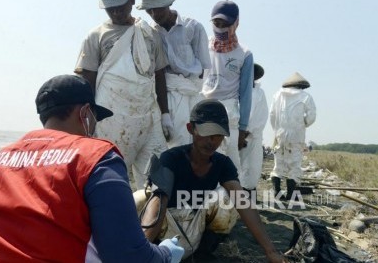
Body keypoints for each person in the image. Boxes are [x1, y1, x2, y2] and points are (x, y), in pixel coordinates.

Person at [0, 75, 184, 263]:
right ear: (85, 113)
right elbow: (128, 257)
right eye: (95, 118)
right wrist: (165, 253)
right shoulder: (96, 157)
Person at [134, 99, 286, 262]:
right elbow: (159, 203)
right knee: (141, 198)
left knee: (226, 200)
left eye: (218, 135)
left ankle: (205, 248)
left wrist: (271, 251)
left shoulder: (222, 163)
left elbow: (243, 203)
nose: (211, 141)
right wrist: (144, 253)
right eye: (206, 133)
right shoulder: (171, 158)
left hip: (195, 225)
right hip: (165, 225)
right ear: (191, 129)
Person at [75, 0, 171, 190]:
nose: (116, 12)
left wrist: (165, 114)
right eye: (111, 9)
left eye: (120, 6)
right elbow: (86, 80)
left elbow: (159, 75)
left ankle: (152, 220)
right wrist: (86, 120)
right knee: (111, 176)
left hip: (147, 114)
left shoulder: (149, 33)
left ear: (132, 0)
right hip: (112, 119)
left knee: (159, 175)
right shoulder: (96, 36)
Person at [136, 0, 211, 148]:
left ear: (169, 3)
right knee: (171, 145)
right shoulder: (150, 33)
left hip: (191, 92)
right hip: (165, 94)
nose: (155, 15)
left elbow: (203, 68)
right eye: (150, 10)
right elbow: (157, 72)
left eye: (159, 9)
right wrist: (165, 113)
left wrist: (189, 89)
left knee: (196, 145)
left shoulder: (193, 27)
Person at [202, 0, 253, 176]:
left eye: (226, 24)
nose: (221, 29)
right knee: (204, 164)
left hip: (229, 115)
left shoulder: (244, 54)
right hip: (203, 111)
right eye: (217, 24)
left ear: (236, 23)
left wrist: (242, 129)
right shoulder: (203, 46)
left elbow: (245, 94)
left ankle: (230, 202)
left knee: (230, 168)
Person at [269, 72, 316, 200]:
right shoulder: (306, 96)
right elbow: (311, 117)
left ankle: (277, 193)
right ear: (301, 85)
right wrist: (302, 124)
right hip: (296, 134)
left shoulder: (277, 95)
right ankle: (290, 194)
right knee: (294, 163)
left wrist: (277, 130)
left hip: (280, 133)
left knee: (278, 162)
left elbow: (272, 115)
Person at [238, 63, 269, 198]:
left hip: (252, 136)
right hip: (233, 134)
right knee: (234, 166)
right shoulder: (233, 90)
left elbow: (262, 115)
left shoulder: (259, 93)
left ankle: (248, 199)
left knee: (252, 167)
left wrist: (247, 131)